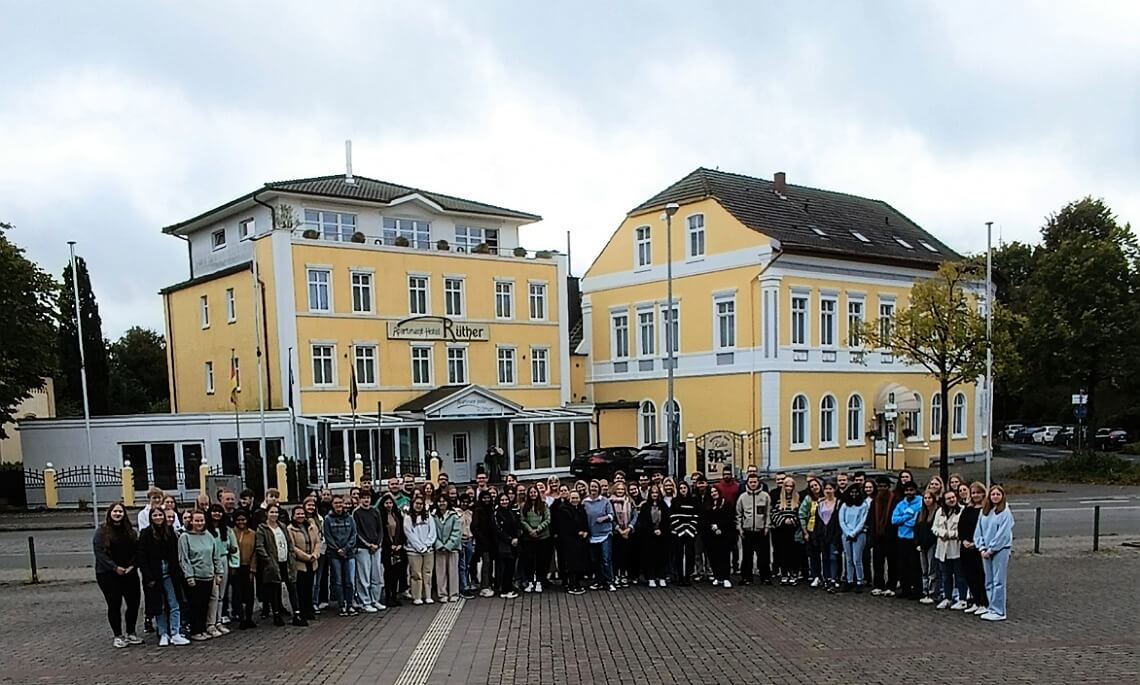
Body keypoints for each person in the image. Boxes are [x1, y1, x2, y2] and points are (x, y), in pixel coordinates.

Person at [136, 505, 188, 646]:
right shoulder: (146, 534)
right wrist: (148, 577)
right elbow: (142, 557)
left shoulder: (169, 532)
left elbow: (175, 554)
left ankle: (175, 632)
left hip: (170, 573)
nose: (158, 518)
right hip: (155, 574)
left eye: (160, 515)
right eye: (155, 515)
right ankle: (163, 633)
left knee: (174, 603)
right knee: (159, 605)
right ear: (151, 517)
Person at [94, 502, 142, 648]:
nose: (118, 514)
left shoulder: (130, 531)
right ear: (110, 513)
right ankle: (117, 635)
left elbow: (137, 550)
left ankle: (131, 632)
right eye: (115, 511)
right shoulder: (102, 531)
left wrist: (132, 565)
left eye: (120, 511)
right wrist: (115, 568)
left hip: (129, 572)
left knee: (134, 603)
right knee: (114, 605)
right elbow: (100, 554)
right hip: (108, 574)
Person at [255, 503, 306, 627]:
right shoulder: (262, 528)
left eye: (276, 512)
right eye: (271, 512)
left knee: (292, 587)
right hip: (273, 563)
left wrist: (291, 556)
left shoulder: (283, 527)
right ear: (266, 513)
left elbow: (289, 543)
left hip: (286, 561)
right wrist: (268, 559)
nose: (274, 515)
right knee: (274, 589)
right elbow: (260, 546)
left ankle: (297, 614)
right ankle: (276, 615)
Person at [178, 509, 224, 641]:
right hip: (194, 577)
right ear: (191, 521)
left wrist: (218, 572)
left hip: (208, 576)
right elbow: (184, 558)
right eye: (196, 520)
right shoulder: (185, 537)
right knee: (195, 605)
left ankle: (203, 629)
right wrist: (189, 576)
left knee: (205, 605)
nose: (199, 523)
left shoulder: (208, 535)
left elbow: (215, 555)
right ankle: (195, 631)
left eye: (202, 520)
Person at [975, 485, 1013, 621]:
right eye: (993, 494)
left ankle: (999, 610)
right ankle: (991, 606)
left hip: (1000, 550)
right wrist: (981, 548)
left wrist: (991, 549)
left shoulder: (1005, 513)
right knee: (989, 580)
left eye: (998, 494)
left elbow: (1003, 534)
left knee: (999, 580)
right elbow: (978, 531)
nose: (995, 497)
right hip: (985, 551)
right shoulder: (985, 512)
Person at [322, 495, 358, 617]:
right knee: (338, 581)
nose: (338, 505)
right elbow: (328, 537)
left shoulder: (350, 518)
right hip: (334, 554)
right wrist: (337, 549)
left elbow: (354, 535)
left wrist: (346, 548)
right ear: (332, 504)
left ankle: (350, 604)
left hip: (349, 553)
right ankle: (341, 605)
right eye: (336, 503)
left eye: (340, 503)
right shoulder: (327, 519)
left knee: (349, 581)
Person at [932, 489, 968, 610]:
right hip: (943, 549)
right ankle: (947, 598)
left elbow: (964, 530)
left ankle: (962, 599)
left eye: (953, 497)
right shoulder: (939, 512)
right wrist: (942, 533)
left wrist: (951, 534)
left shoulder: (962, 511)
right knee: (945, 575)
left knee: (960, 575)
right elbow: (934, 527)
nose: (951, 500)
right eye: (948, 498)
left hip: (956, 549)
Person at [206, 504, 237, 636]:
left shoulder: (228, 530)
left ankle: (218, 621)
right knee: (212, 593)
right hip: (209, 561)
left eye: (219, 512)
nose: (217, 514)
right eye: (214, 511)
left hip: (223, 559)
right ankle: (210, 623)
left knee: (221, 594)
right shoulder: (206, 530)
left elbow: (234, 547)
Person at [959, 482, 989, 615]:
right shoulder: (967, 509)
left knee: (980, 576)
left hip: (979, 548)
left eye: (978, 492)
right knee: (969, 575)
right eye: (973, 493)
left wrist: (976, 543)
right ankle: (976, 601)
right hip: (966, 547)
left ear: (983, 493)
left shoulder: (986, 510)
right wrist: (963, 540)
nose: (975, 495)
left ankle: (984, 602)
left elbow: (987, 529)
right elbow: (961, 526)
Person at [736, 472, 771, 586]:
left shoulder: (765, 496)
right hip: (747, 530)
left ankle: (765, 577)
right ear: (747, 483)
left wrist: (767, 526)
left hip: (761, 530)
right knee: (747, 556)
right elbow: (738, 514)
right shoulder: (742, 497)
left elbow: (768, 513)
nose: (753, 484)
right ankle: (746, 577)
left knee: (764, 556)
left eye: (755, 482)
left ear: (758, 482)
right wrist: (739, 528)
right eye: (751, 482)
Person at [353, 490, 385, 613]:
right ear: (359, 499)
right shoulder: (356, 513)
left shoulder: (375, 511)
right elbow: (357, 532)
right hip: (363, 549)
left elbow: (380, 529)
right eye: (364, 498)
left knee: (376, 575)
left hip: (376, 548)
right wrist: (368, 544)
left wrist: (377, 544)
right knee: (363, 576)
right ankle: (364, 601)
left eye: (368, 498)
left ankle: (375, 600)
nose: (366, 500)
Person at [552, 489, 589, 594]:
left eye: (577, 498)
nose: (575, 500)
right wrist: (578, 532)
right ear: (569, 498)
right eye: (573, 498)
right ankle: (571, 585)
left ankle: (577, 583)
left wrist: (586, 531)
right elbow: (566, 525)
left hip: (580, 540)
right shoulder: (563, 509)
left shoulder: (581, 509)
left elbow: (585, 521)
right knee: (571, 564)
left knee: (579, 562)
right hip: (568, 540)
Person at [891, 481, 923, 600]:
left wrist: (904, 519)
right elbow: (894, 520)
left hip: (913, 539)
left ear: (915, 490)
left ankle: (917, 590)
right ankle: (906, 589)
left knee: (914, 566)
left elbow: (914, 522)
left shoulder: (920, 502)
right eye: (907, 490)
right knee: (902, 565)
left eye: (911, 490)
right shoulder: (900, 504)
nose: (909, 492)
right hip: (901, 538)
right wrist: (906, 516)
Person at [287, 505, 320, 622]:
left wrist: (315, 555)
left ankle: (309, 609)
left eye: (302, 514)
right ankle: (302, 611)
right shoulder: (290, 529)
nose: (301, 516)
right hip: (300, 563)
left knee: (310, 587)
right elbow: (292, 547)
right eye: (298, 514)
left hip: (312, 561)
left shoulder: (311, 526)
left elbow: (317, 541)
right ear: (293, 516)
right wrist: (306, 557)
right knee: (301, 588)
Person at [583, 480, 616, 592]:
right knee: (595, 560)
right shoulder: (585, 502)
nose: (593, 489)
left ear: (599, 489)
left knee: (606, 559)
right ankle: (599, 581)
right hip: (592, 535)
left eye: (595, 487)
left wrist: (605, 518)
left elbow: (612, 515)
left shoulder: (605, 501)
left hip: (605, 534)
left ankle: (609, 581)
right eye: (591, 487)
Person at [636, 484, 671, 587]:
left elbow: (667, 520)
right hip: (649, 537)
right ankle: (651, 577)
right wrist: (652, 530)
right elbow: (643, 521)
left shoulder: (663, 505)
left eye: (656, 493)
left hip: (662, 536)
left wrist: (661, 530)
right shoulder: (645, 506)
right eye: (653, 493)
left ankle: (661, 577)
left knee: (662, 557)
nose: (654, 495)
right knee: (650, 557)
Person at [405, 496, 438, 605]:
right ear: (412, 504)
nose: (418, 506)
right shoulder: (408, 517)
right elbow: (409, 534)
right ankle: (417, 596)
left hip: (428, 549)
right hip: (414, 551)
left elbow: (432, 531)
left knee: (427, 573)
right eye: (416, 503)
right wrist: (420, 547)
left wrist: (428, 544)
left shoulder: (428, 516)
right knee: (416, 574)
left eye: (421, 504)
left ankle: (427, 595)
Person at [519, 486, 552, 593]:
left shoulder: (544, 505)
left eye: (535, 492)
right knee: (529, 561)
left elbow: (548, 519)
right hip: (529, 538)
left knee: (541, 561)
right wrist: (530, 530)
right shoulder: (524, 506)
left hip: (543, 537)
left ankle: (539, 581)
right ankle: (530, 582)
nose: (533, 494)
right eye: (531, 492)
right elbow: (522, 520)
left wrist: (537, 530)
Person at [869, 475, 898, 596]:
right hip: (877, 536)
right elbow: (871, 519)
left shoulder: (895, 500)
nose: (882, 489)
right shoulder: (874, 501)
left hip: (891, 536)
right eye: (880, 486)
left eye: (885, 486)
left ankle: (891, 585)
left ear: (889, 487)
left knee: (892, 562)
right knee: (877, 562)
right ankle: (878, 585)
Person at [839, 484, 870, 593]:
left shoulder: (863, 505)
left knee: (857, 559)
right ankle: (849, 580)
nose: (854, 494)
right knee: (848, 559)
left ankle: (859, 581)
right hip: (846, 534)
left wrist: (853, 533)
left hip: (859, 534)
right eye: (852, 492)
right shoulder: (844, 506)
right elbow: (841, 521)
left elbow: (862, 521)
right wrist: (848, 533)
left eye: (856, 492)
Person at [771, 477, 802, 585]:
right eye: (787, 486)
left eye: (791, 486)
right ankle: (784, 574)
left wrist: (793, 520)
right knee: (783, 552)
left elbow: (801, 513)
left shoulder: (798, 498)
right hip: (782, 529)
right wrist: (783, 520)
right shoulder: (778, 498)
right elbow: (773, 513)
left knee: (793, 553)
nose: (789, 488)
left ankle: (793, 574)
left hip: (793, 529)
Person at [701, 485, 734, 588]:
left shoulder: (726, 504)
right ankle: (717, 577)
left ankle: (725, 578)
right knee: (713, 557)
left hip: (724, 535)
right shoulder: (707, 505)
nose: (714, 493)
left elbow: (729, 518)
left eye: (715, 491)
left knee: (724, 557)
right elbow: (704, 519)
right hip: (711, 536)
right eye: (711, 492)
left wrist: (719, 527)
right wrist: (712, 527)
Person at [377, 494, 407, 607]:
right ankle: (388, 596)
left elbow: (402, 531)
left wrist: (400, 544)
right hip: (387, 548)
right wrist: (390, 546)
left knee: (397, 573)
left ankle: (394, 596)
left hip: (398, 547)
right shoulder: (381, 516)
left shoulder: (397, 515)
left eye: (390, 503)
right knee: (388, 573)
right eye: (386, 503)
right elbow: (382, 533)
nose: (388, 505)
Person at [813, 481, 842, 593]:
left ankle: (834, 578)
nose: (828, 491)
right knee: (824, 557)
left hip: (833, 534)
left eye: (830, 489)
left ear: (834, 490)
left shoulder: (839, 503)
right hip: (822, 534)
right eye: (826, 489)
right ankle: (827, 578)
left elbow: (838, 521)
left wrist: (837, 535)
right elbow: (817, 521)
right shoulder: (820, 504)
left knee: (833, 557)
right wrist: (816, 534)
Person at [231, 509, 257, 628]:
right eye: (238, 520)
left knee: (250, 594)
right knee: (237, 594)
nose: (241, 522)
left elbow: (255, 552)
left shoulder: (252, 534)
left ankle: (249, 617)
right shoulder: (231, 532)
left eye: (243, 519)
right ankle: (241, 618)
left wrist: (253, 568)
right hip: (236, 566)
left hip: (248, 566)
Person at [432, 495, 462, 602]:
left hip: (452, 549)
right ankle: (442, 594)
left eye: (444, 501)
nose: (442, 503)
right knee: (440, 573)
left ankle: (454, 593)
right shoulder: (433, 516)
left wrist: (449, 545)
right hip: (439, 549)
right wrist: (439, 545)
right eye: (439, 501)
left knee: (453, 572)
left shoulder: (454, 515)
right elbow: (432, 532)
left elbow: (457, 532)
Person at [670, 481, 699, 586]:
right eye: (681, 488)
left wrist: (690, 529)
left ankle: (687, 577)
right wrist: (681, 529)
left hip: (690, 532)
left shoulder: (694, 501)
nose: (683, 490)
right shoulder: (675, 501)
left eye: (685, 488)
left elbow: (696, 516)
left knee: (690, 555)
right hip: (678, 533)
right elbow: (673, 517)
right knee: (679, 555)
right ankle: (680, 577)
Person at [609, 481, 638, 587]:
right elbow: (610, 517)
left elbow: (635, 516)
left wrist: (629, 528)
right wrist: (619, 529)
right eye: (618, 489)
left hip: (628, 532)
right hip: (616, 533)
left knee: (626, 555)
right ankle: (616, 576)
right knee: (616, 555)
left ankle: (624, 576)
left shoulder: (629, 501)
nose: (620, 491)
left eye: (622, 489)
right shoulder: (610, 502)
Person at [493, 493, 521, 598]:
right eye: (502, 500)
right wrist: (509, 539)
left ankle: (509, 588)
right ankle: (504, 590)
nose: (504, 502)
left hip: (514, 544)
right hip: (503, 544)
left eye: (506, 500)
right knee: (504, 568)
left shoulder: (512, 512)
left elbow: (518, 525)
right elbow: (498, 530)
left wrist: (517, 538)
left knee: (511, 567)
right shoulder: (496, 514)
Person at [915, 490, 941, 605]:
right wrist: (917, 543)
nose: (927, 500)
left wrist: (927, 543)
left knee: (932, 570)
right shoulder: (921, 513)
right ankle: (925, 591)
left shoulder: (937, 512)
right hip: (922, 546)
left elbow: (934, 531)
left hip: (932, 545)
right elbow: (916, 529)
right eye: (925, 498)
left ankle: (933, 592)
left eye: (929, 498)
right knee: (924, 570)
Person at [472, 489, 497, 597]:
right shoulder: (478, 510)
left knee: (490, 564)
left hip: (492, 542)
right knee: (485, 564)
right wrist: (481, 539)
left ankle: (489, 584)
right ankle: (484, 587)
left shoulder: (491, 509)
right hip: (483, 542)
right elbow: (474, 527)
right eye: (484, 498)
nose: (486, 500)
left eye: (488, 497)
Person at [798, 478, 822, 587]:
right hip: (812, 530)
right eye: (811, 486)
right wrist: (805, 532)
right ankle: (816, 576)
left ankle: (828, 576)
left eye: (816, 485)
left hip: (824, 530)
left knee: (827, 555)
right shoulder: (808, 499)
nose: (814, 488)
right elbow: (802, 514)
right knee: (814, 555)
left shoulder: (826, 497)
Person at [457, 492, 476, 599]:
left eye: (466, 502)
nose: (464, 504)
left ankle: (466, 583)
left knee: (468, 565)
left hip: (469, 540)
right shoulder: (455, 513)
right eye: (463, 502)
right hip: (460, 541)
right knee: (461, 565)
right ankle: (463, 587)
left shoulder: (470, 513)